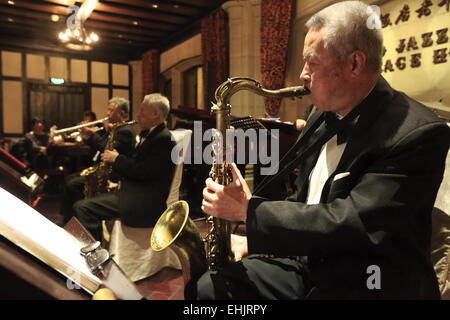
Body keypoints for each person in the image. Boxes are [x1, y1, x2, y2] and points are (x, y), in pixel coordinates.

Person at [186, 1, 450, 300]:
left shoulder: (418, 132)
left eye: (312, 62)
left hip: (370, 279)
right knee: (207, 287)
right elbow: (305, 199)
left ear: (354, 64)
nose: (302, 74)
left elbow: (355, 225)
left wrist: (249, 211)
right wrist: (259, 240)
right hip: (313, 261)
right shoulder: (320, 114)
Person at [73, 93, 176, 241]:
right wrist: (117, 183)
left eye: (142, 110)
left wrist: (117, 159)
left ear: (155, 114)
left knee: (83, 208)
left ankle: (94, 255)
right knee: (83, 203)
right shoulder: (154, 135)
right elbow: (143, 170)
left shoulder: (164, 139)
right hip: (134, 193)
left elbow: (143, 172)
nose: (138, 115)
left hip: (144, 203)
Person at [60, 98, 136, 224]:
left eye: (111, 110)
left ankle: (71, 221)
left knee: (72, 185)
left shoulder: (126, 131)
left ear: (121, 114)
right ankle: (68, 218)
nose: (107, 113)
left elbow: (105, 148)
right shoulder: (116, 128)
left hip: (113, 174)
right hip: (102, 168)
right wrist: (88, 135)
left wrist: (92, 134)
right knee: (68, 179)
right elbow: (100, 145)